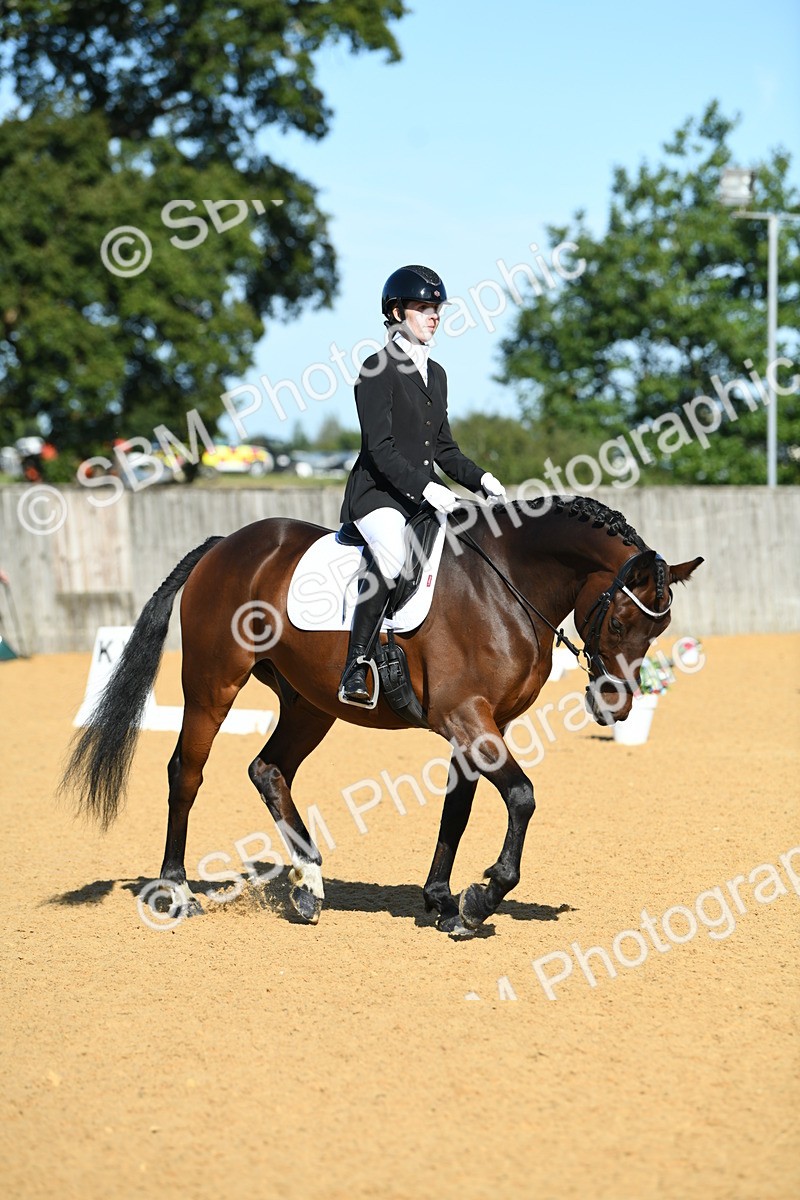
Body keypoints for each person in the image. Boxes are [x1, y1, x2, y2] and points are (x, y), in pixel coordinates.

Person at [338, 264, 507, 705]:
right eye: (423, 308)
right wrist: (427, 488)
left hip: (420, 495)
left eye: (437, 308)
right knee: (393, 556)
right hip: (378, 496)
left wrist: (480, 479)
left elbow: (445, 449)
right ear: (396, 312)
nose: (433, 316)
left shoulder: (438, 374)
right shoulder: (377, 369)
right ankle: (356, 664)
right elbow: (380, 449)